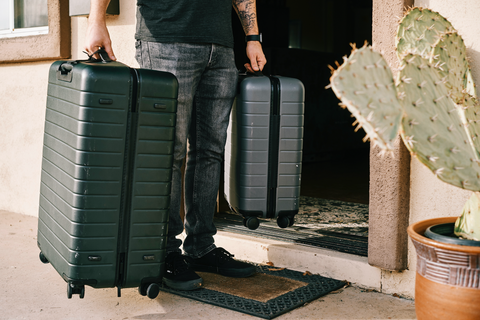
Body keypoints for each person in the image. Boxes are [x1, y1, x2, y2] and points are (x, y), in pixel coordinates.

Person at [85, 0, 267, 291]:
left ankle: (201, 246)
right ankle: (163, 251)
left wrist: (252, 38)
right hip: (165, 41)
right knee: (168, 152)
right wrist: (96, 20)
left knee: (210, 152)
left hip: (220, 47)